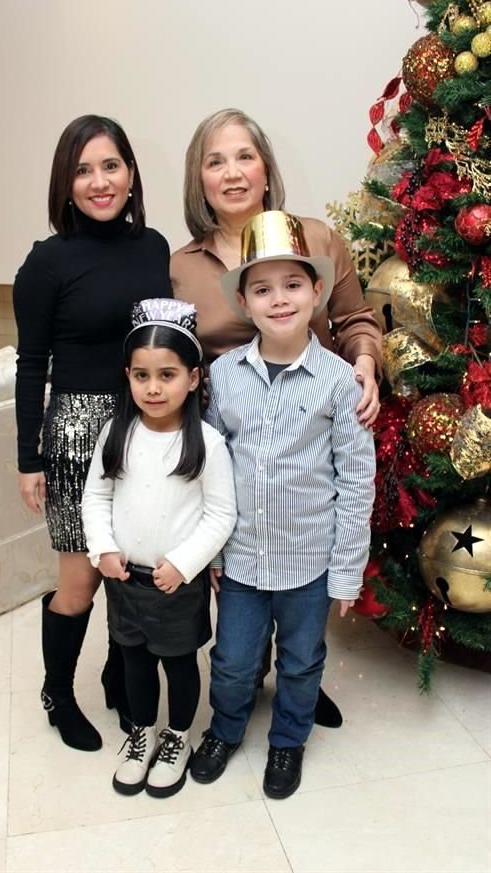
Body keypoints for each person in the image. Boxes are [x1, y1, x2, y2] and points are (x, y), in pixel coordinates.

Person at [170, 107, 382, 727]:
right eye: (215, 161)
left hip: (307, 431)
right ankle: (245, 683)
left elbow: (356, 321)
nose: (232, 172)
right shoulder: (181, 265)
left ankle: (299, 682)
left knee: (298, 599)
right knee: (239, 604)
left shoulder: (316, 239)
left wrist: (365, 363)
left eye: (244, 156)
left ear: (266, 168)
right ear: (199, 180)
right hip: (228, 440)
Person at [189, 210, 376, 798]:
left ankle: (289, 741)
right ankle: (225, 727)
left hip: (309, 564)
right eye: (262, 289)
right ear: (244, 303)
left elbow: (357, 482)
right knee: (234, 660)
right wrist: (212, 551)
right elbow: (212, 468)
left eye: (293, 285)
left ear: (317, 292)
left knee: (300, 661)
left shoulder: (340, 383)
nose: (279, 300)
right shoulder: (223, 377)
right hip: (242, 560)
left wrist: (346, 571)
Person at [13, 115, 172, 752]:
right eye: (83, 169)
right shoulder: (46, 262)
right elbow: (30, 367)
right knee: (80, 579)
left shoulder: (155, 246)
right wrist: (30, 458)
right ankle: (58, 691)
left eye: (111, 166)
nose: (99, 181)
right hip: (77, 432)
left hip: (145, 424)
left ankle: (116, 673)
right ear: (66, 183)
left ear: (131, 175)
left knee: (128, 567)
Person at [82, 298, 237, 797]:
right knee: (134, 662)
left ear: (193, 379)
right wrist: (102, 549)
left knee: (178, 663)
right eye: (142, 375)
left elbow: (220, 515)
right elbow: (96, 495)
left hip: (176, 583)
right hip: (126, 581)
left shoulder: (207, 443)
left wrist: (185, 564)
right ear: (127, 376)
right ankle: (142, 734)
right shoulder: (116, 433)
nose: (153, 388)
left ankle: (176, 737)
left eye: (167, 375)